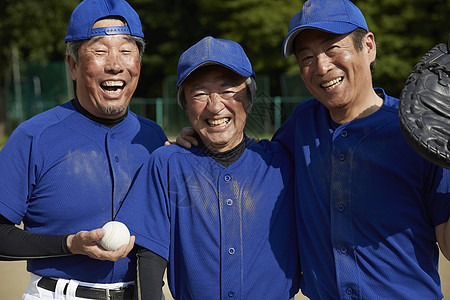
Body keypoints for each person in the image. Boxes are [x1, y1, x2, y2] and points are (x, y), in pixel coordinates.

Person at [272, 0, 450, 299]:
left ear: (368, 47)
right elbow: (251, 158)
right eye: (306, 57)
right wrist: (197, 141)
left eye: (333, 48)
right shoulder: (301, 125)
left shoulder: (421, 133)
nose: (322, 66)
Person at [0, 0, 167, 299]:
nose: (115, 64)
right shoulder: (33, 136)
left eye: (127, 51)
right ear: (73, 65)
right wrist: (69, 244)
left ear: (139, 63)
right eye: (100, 51)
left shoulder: (153, 138)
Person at [124, 36, 300, 299]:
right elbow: (149, 254)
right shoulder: (167, 163)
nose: (216, 105)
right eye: (200, 93)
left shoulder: (281, 161)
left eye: (229, 91)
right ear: (185, 105)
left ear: (250, 100)